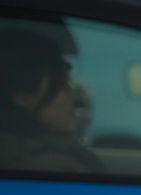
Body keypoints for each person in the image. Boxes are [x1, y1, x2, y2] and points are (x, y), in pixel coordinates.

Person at [0, 27, 100, 175]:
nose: (74, 99)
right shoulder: (48, 168)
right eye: (61, 86)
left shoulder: (51, 154)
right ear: (23, 99)